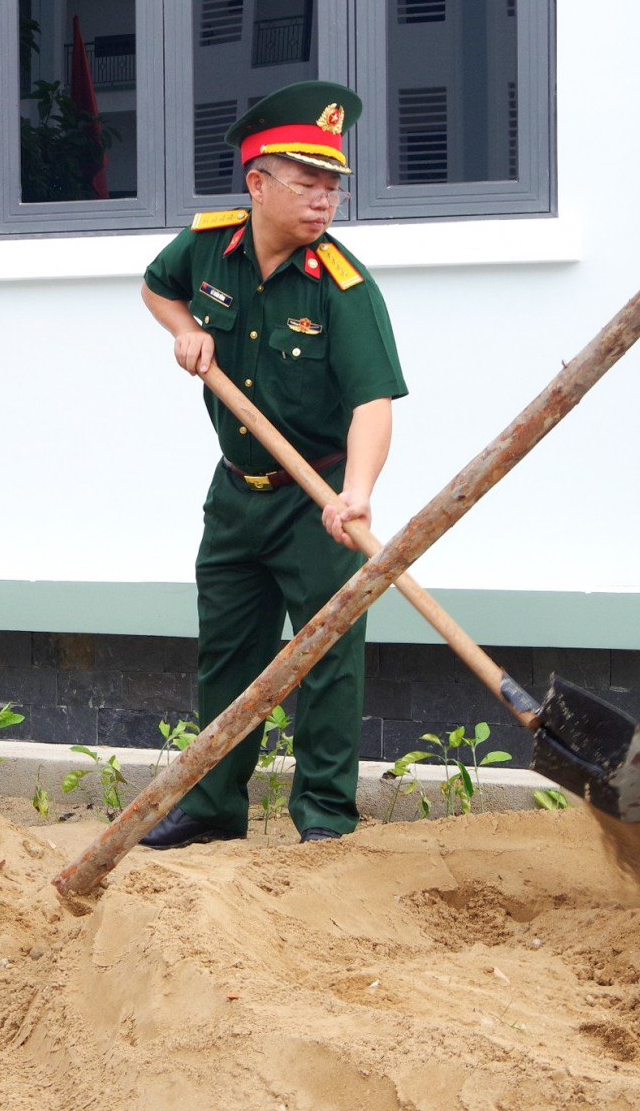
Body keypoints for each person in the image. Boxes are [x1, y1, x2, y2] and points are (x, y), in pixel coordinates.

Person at [138, 81, 407, 847]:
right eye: (307, 184)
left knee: (326, 662)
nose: (325, 202)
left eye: (333, 188)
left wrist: (355, 494)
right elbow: (158, 288)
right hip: (234, 497)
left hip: (315, 498)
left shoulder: (343, 288)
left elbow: (373, 404)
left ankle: (324, 821)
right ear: (257, 184)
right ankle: (213, 807)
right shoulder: (206, 246)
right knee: (226, 657)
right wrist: (187, 330)